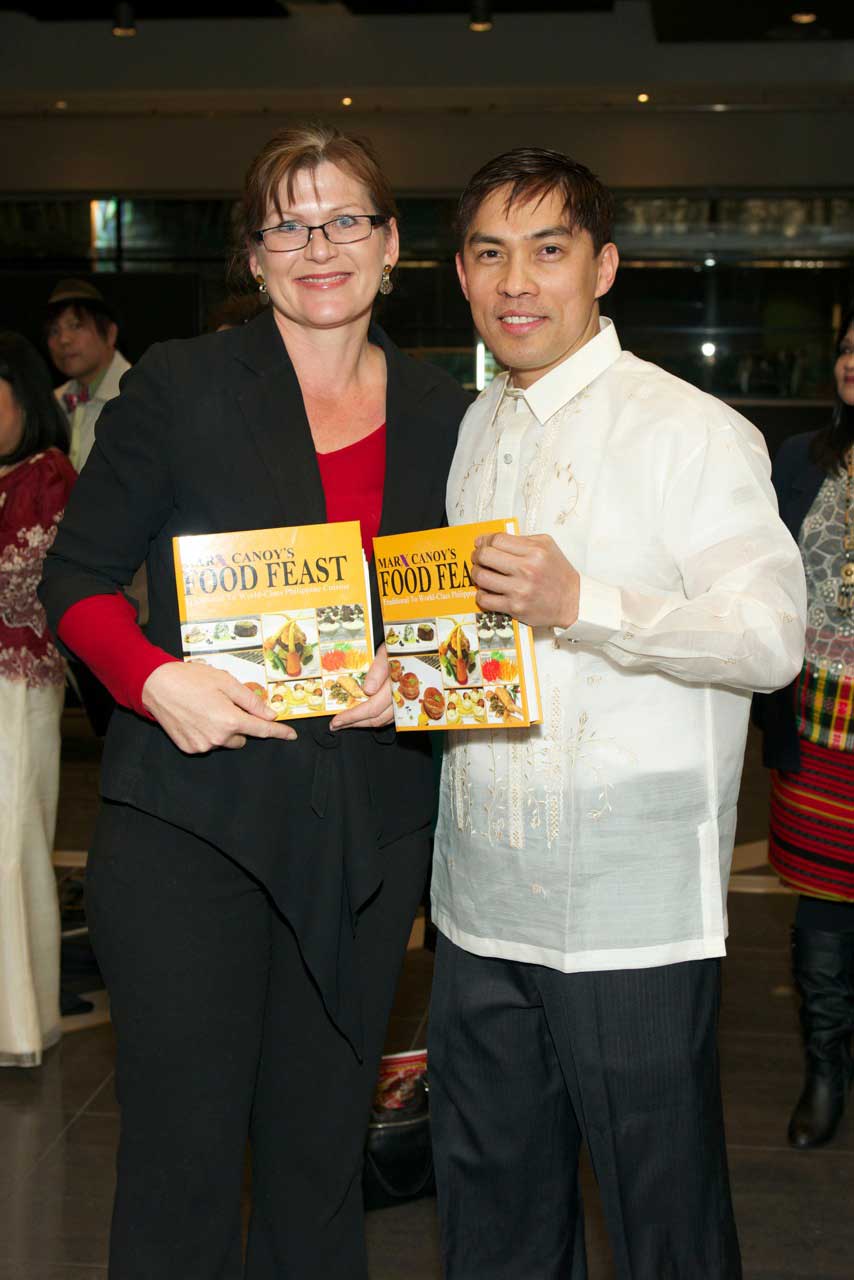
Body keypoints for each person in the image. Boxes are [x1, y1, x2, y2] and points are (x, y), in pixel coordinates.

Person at [39, 125, 470, 1279]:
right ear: (256, 254)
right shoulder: (183, 384)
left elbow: (453, 612)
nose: (318, 245)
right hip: (192, 821)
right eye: (289, 223)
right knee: (181, 1167)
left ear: (389, 247)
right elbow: (74, 582)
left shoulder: (450, 413)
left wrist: (417, 674)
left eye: (345, 221)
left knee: (318, 1159)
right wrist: (152, 678)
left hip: (365, 833)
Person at [427, 147, 807, 1280]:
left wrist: (580, 602)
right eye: (490, 254)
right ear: (458, 275)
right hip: (476, 899)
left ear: (603, 267)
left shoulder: (687, 431)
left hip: (626, 912)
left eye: (547, 251)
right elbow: (475, 642)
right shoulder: (476, 425)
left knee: (660, 1219)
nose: (516, 283)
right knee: (492, 1209)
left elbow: (766, 638)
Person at [753, 304, 854, 1150]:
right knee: (823, 908)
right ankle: (826, 1075)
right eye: (851, 349)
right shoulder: (799, 460)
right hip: (820, 723)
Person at [0, 332, 75, 1068]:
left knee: (12, 848)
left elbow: (26, 588)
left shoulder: (46, 475)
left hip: (15, 682)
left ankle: (18, 1023)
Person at [45, 278, 130, 475]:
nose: (63, 340)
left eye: (75, 326)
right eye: (54, 331)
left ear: (110, 333)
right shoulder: (53, 402)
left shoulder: (137, 394)